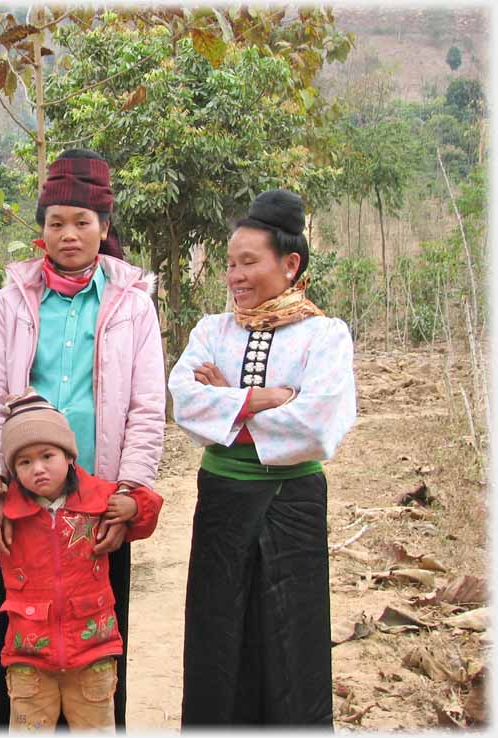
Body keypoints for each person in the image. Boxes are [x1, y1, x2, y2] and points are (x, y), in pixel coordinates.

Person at [0, 149, 166, 729]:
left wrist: (129, 493)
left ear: (104, 228)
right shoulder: (13, 301)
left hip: (98, 499)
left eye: (82, 222)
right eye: (56, 222)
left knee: (102, 642)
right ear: (42, 231)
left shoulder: (132, 305)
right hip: (25, 499)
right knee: (23, 642)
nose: (69, 233)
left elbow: (147, 406)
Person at [167, 189, 357, 726]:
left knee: (291, 633)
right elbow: (185, 400)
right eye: (230, 264)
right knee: (217, 630)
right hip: (223, 500)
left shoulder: (325, 335)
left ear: (290, 263)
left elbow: (318, 425)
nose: (235, 276)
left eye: (249, 262)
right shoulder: (211, 330)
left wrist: (227, 409)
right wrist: (259, 399)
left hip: (292, 501)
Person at [0, 391, 163, 732]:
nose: (38, 469)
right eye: (24, 462)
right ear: (13, 470)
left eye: (47, 455)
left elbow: (147, 514)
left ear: (69, 456)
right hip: (28, 660)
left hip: (93, 653)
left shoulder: (99, 499)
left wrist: (134, 507)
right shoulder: (9, 516)